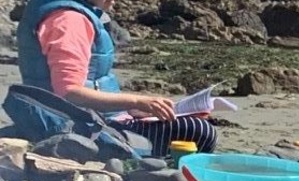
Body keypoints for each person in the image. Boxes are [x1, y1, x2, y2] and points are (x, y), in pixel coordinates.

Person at [16, 0, 218, 156]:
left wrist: (138, 108)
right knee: (199, 131)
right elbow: (69, 93)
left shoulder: (74, 13)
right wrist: (138, 101)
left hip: (92, 116)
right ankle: (163, 175)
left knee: (189, 120)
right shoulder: (68, 20)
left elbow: (90, 85)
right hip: (71, 125)